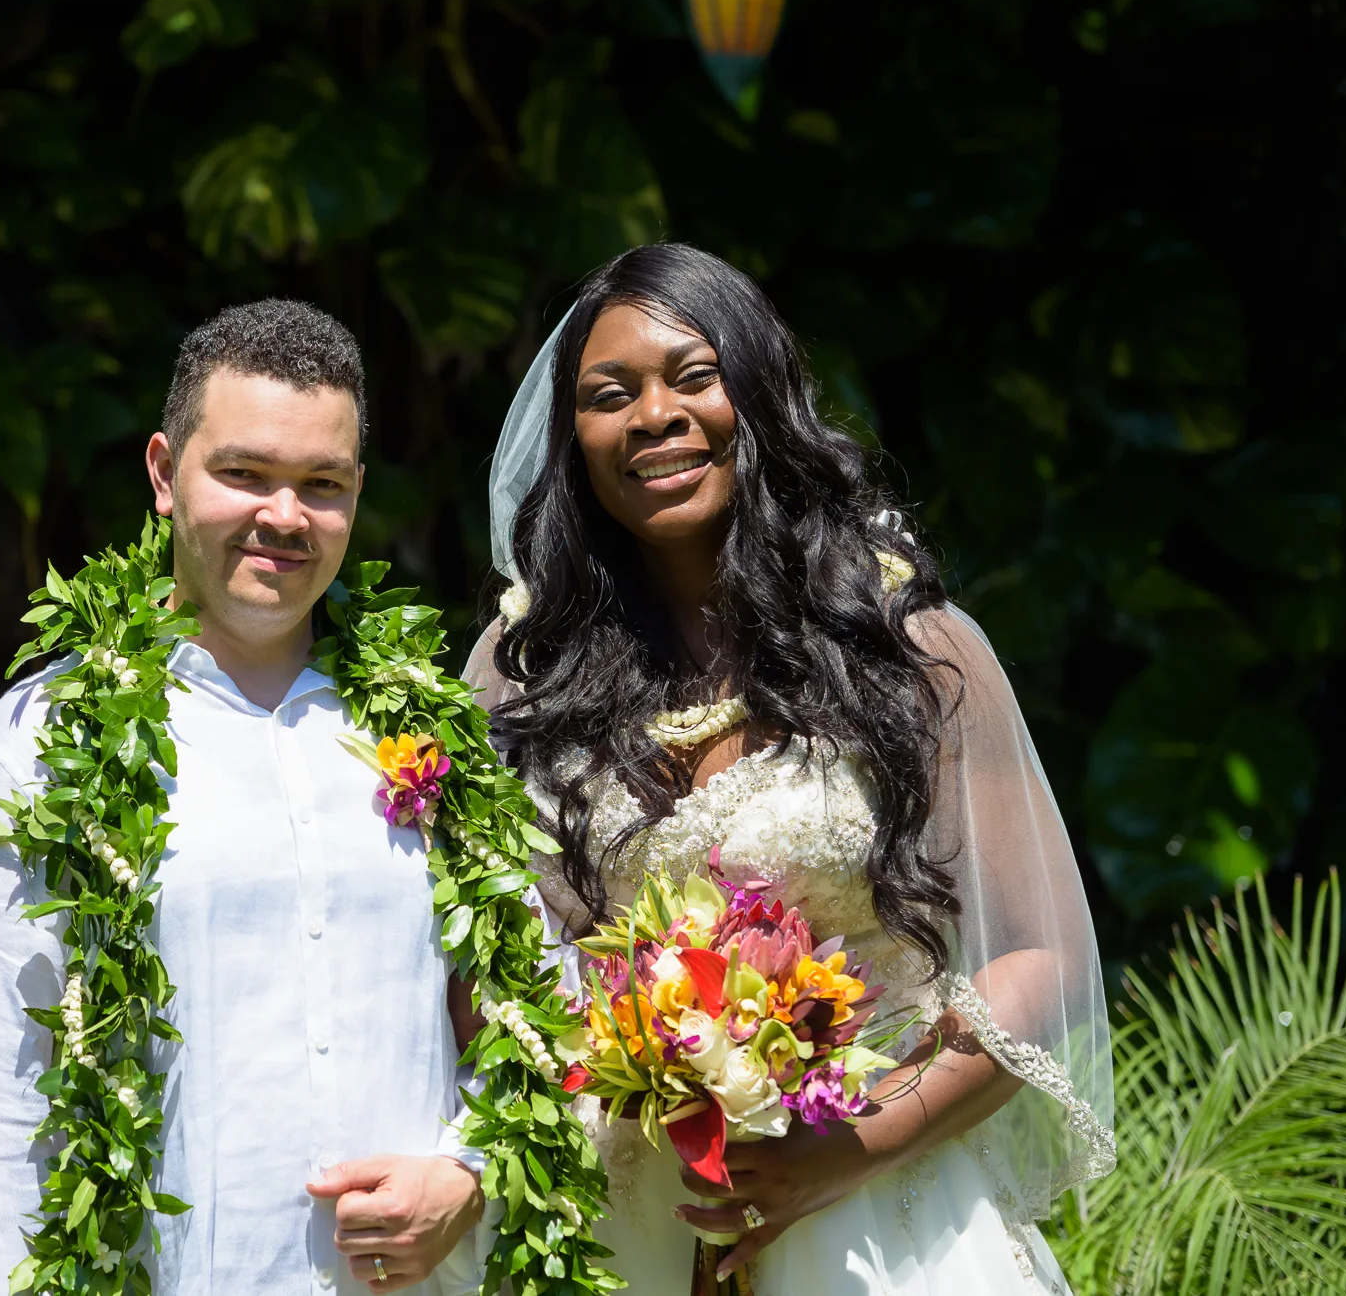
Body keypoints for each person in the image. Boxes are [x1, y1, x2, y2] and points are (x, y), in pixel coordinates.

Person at [465, 245, 1115, 1296]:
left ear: (759, 396)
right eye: (609, 395)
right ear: (571, 438)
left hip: (881, 1214)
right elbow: (493, 969)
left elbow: (1038, 958)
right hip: (624, 1217)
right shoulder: (525, 671)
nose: (654, 417)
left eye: (693, 376)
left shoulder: (911, 650)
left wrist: (854, 1148)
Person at [0, 301, 489, 1295]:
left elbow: (533, 1001)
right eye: (244, 474)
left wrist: (466, 1174)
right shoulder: (42, 745)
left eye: (323, 485)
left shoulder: (432, 740)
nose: (285, 517)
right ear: (163, 473)